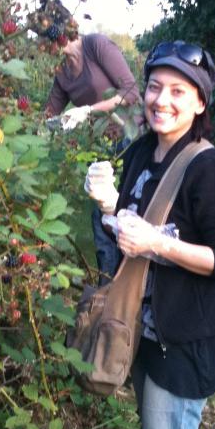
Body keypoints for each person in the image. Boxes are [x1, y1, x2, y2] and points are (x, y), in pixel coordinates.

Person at [84, 40, 215, 429]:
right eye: (154, 86)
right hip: (146, 335)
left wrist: (159, 244)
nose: (161, 100)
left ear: (200, 103)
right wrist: (108, 206)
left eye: (179, 91)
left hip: (186, 345)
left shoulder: (209, 169)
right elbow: (125, 233)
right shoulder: (140, 152)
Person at [43, 21, 141, 284]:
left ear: (62, 33)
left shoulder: (95, 45)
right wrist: (43, 126)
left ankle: (138, 283)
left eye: (46, 38)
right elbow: (49, 114)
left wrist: (88, 110)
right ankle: (107, 288)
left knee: (132, 209)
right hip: (101, 147)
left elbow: (130, 91)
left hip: (132, 137)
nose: (44, 45)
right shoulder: (62, 73)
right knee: (101, 215)